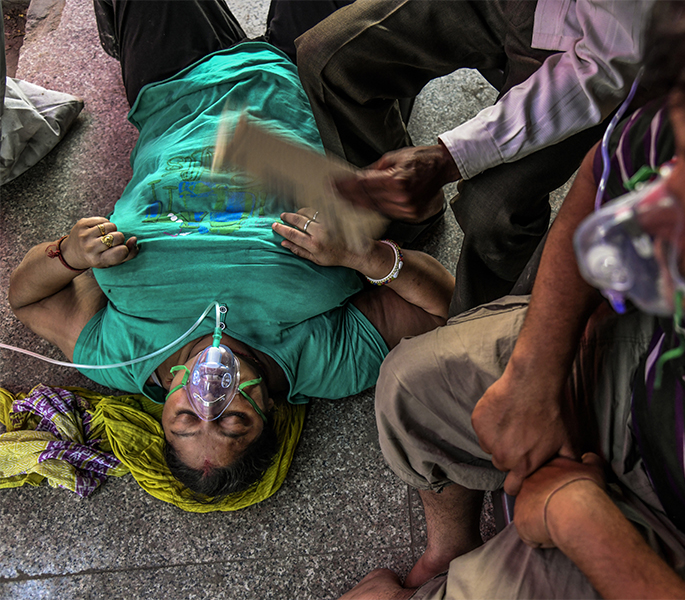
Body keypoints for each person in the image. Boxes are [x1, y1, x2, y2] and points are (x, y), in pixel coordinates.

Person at [340, 1, 685, 597]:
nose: (642, 228)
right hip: (654, 376)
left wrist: (583, 521)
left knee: (494, 588)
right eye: (683, 165)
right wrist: (535, 371)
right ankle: (449, 550)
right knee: (411, 386)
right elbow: (604, 171)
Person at [7, 0, 454, 501]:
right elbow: (444, 310)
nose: (211, 397)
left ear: (164, 407)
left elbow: (27, 299)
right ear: (268, 416)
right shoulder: (325, 365)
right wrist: (362, 255)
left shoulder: (122, 355)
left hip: (179, 93)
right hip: (319, 91)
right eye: (234, 420)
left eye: (185, 418)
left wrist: (69, 254)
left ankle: (119, 27)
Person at [294, 0, 651, 316]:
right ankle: (396, 219)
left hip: (595, 49)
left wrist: (449, 157)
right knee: (329, 60)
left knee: (493, 208)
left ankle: (475, 324)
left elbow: (604, 64)